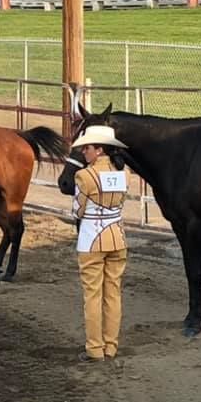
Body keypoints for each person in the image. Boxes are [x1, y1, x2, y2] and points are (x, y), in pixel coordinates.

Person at [70, 124, 130, 364]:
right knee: (113, 293)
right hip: (117, 236)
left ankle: (95, 348)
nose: (84, 151)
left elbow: (77, 210)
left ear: (99, 149)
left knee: (92, 295)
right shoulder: (124, 175)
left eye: (87, 147)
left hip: (91, 240)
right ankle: (111, 345)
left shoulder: (84, 176)